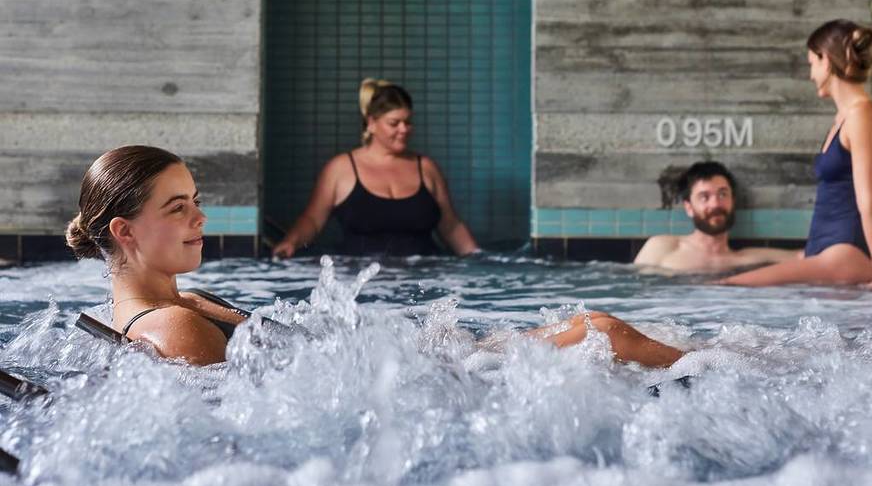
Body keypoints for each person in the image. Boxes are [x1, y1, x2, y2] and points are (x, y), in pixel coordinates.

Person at [66, 146, 688, 368]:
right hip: (416, 388)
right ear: (124, 231)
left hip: (409, 367)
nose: (201, 218)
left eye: (196, 201)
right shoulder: (172, 324)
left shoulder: (176, 305)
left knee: (601, 331)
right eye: (178, 208)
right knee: (603, 332)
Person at [721, 20, 872, 290]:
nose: (811, 74)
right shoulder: (844, 118)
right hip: (824, 251)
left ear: (826, 61)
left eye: (812, 63)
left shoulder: (863, 115)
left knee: (729, 286)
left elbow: (868, 200)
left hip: (845, 254)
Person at [272, 79, 479, 258]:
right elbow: (313, 220)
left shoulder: (426, 167)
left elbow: (451, 226)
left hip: (423, 280)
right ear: (371, 123)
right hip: (364, 284)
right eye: (394, 123)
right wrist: (291, 242)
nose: (404, 129)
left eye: (408, 122)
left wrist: (480, 260)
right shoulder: (341, 169)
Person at [633, 161, 799, 273]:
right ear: (689, 207)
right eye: (704, 197)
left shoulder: (747, 259)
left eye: (722, 194)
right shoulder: (663, 248)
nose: (715, 204)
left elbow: (804, 257)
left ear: (733, 200)